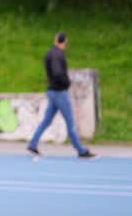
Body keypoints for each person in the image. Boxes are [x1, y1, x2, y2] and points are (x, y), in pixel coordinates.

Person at [27, 31, 96, 159]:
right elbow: (58, 72)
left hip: (52, 90)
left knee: (47, 120)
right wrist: (67, 82)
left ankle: (33, 144)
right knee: (70, 122)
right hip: (60, 92)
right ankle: (81, 150)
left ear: (56, 40)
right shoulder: (58, 54)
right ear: (65, 42)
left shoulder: (49, 53)